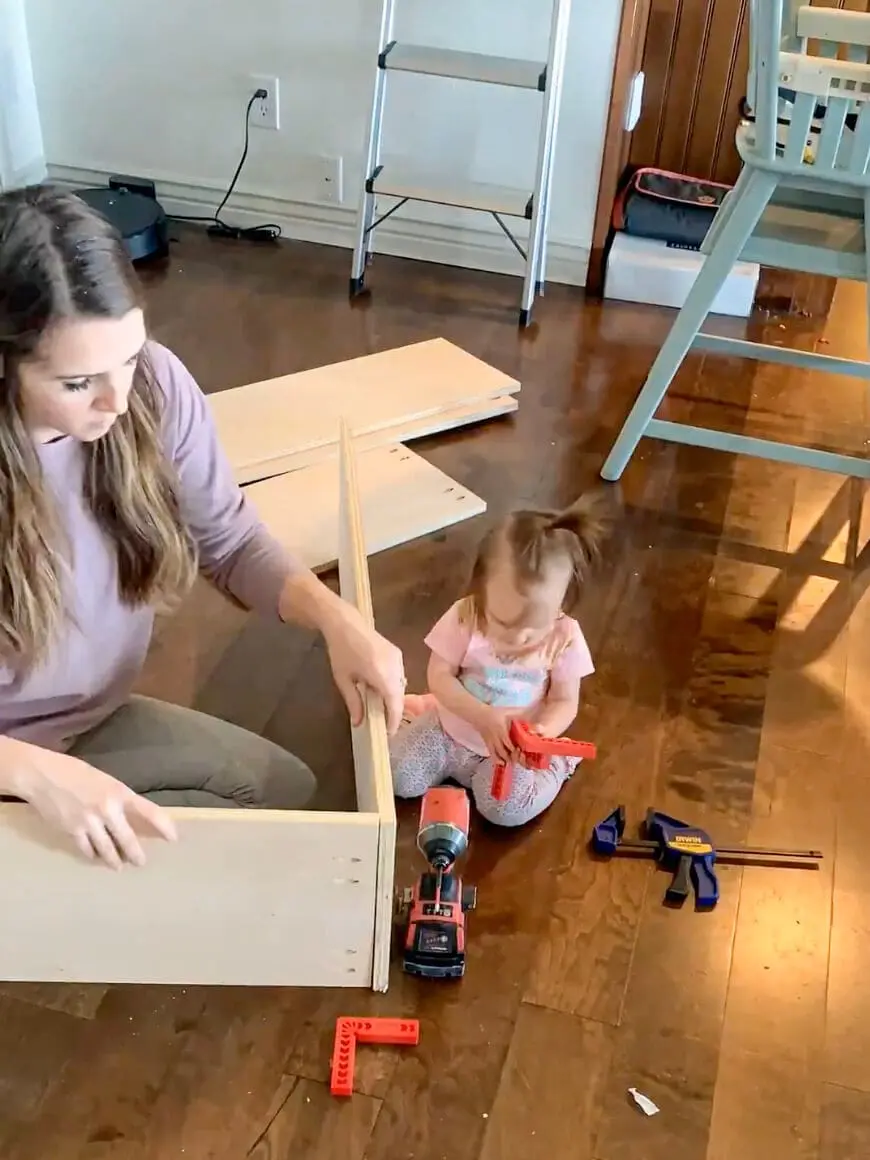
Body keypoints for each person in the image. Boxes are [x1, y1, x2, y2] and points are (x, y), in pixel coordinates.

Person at [0, 184, 406, 869]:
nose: (117, 400)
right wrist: (30, 777)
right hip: (17, 758)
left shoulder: (154, 388)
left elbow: (230, 537)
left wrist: (337, 620)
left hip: (77, 729)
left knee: (281, 794)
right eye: (77, 383)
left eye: (127, 357)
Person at [390, 494, 608, 826]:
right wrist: (480, 716)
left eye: (535, 627)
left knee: (507, 812)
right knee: (398, 777)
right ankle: (421, 712)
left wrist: (541, 732)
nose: (519, 638)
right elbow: (440, 674)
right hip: (450, 727)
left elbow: (564, 701)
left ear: (563, 601)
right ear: (480, 591)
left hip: (509, 753)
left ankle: (557, 764)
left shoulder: (566, 637)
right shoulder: (465, 616)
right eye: (504, 622)